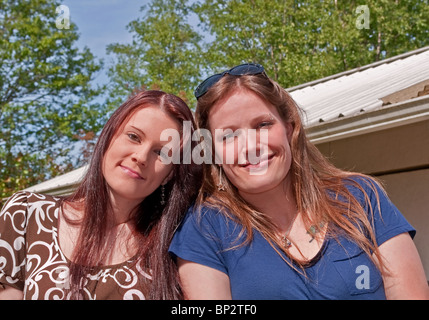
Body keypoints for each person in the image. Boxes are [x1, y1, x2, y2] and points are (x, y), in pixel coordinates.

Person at [169, 63, 429, 299]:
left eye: (262, 125)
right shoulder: (204, 229)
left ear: (289, 128)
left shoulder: (361, 197)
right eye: (228, 136)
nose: (249, 146)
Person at [0, 90, 202, 300]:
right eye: (133, 137)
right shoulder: (26, 214)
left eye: (161, 153)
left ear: (169, 175)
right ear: (108, 138)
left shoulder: (176, 247)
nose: (141, 157)